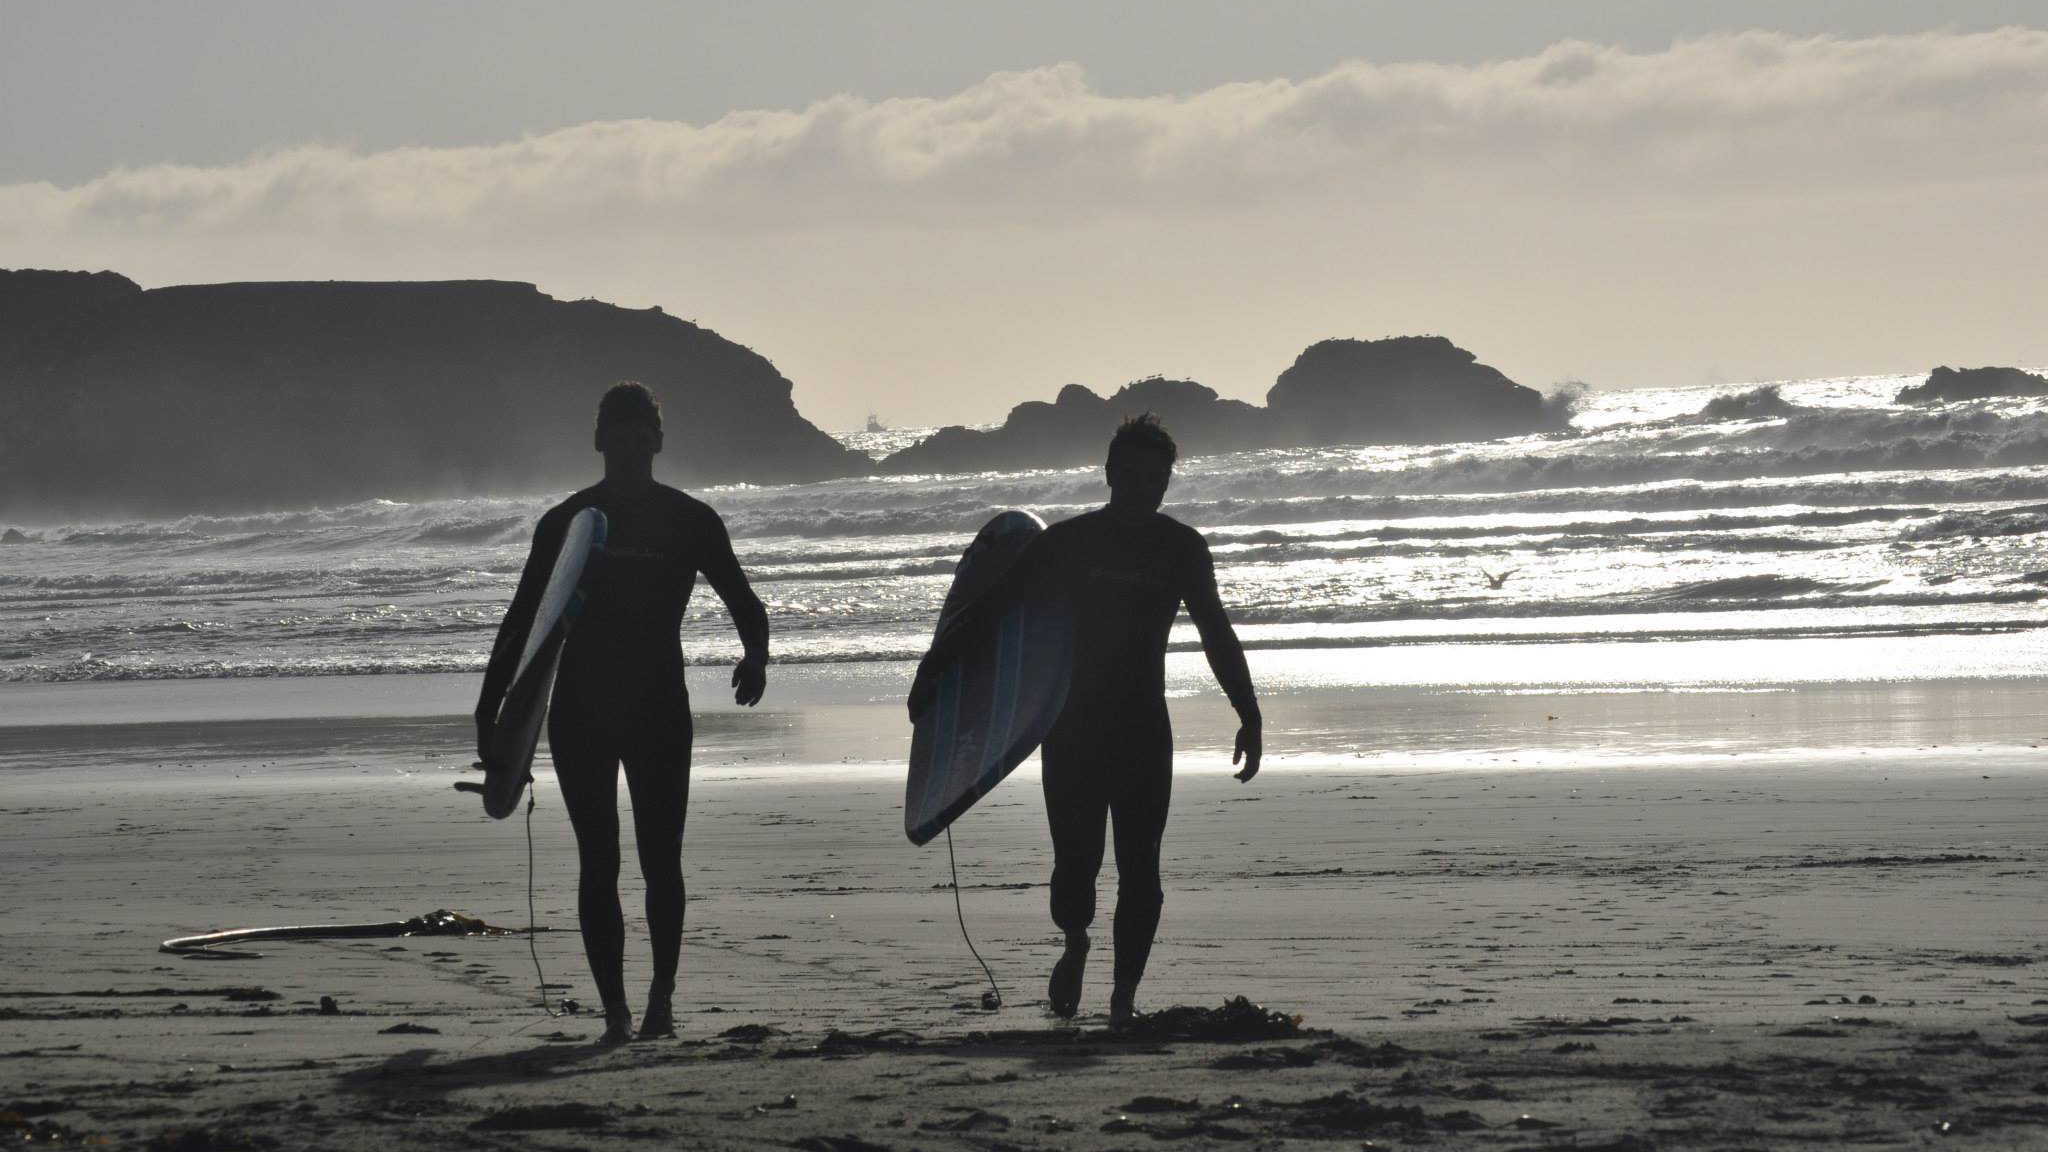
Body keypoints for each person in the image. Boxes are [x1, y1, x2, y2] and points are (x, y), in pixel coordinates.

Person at [910, 413, 1262, 1023]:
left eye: (1156, 480)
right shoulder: (1067, 544)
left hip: (1143, 726)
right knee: (1076, 863)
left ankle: (1124, 998)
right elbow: (993, 611)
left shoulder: (1181, 547)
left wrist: (1247, 711)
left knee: (1141, 866)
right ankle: (1075, 941)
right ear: (1109, 474)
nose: (1144, 490)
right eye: (1133, 476)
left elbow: (1216, 632)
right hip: (1072, 728)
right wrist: (934, 671)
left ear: (1167, 482)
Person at [477, 381, 768, 1044]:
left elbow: (746, 603)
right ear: (599, 439)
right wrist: (490, 713)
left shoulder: (690, 520)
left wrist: (756, 655)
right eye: (619, 433)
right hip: (580, 709)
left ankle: (661, 1000)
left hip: (658, 706)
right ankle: (615, 1011)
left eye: (642, 435)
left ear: (657, 441)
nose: (631, 446)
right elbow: (521, 624)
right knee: (598, 859)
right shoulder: (567, 523)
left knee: (662, 859)